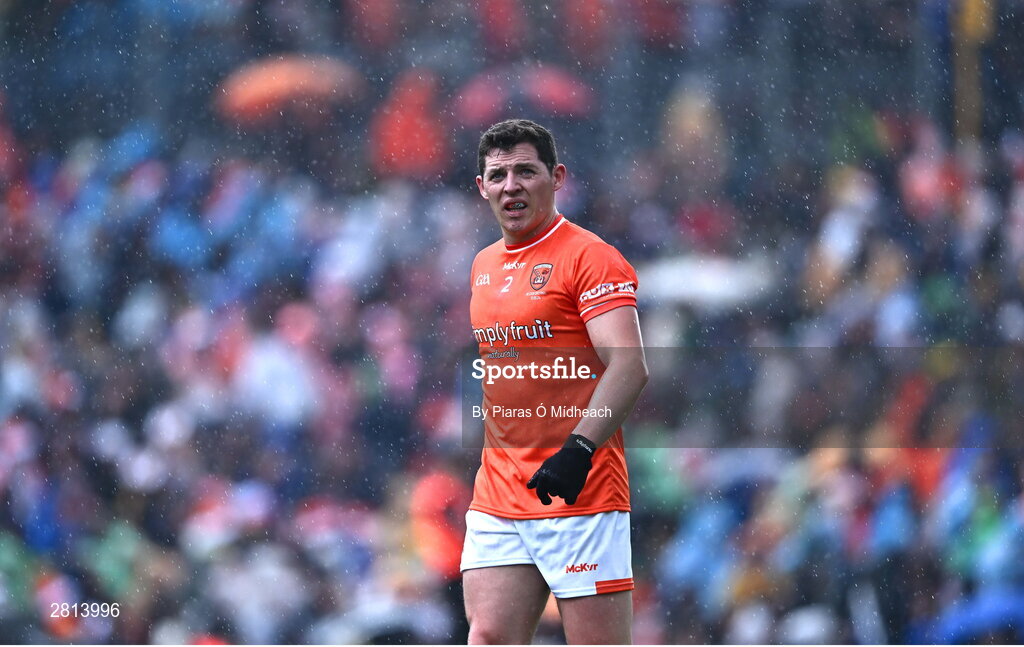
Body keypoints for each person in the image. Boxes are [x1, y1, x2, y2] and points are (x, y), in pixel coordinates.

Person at [462, 119, 649, 644]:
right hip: (499, 495)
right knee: (489, 638)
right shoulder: (481, 266)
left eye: (526, 170)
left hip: (581, 493)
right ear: (482, 187)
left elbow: (630, 365)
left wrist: (578, 450)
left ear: (557, 176)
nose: (511, 185)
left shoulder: (589, 256)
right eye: (497, 175)